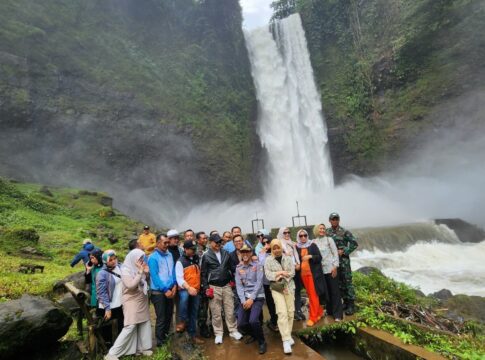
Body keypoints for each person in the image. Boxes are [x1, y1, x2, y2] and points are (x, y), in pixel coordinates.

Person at [104, 249, 152, 360]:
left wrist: (146, 272)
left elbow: (146, 281)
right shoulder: (125, 270)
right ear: (133, 258)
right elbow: (131, 285)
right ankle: (112, 353)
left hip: (142, 299)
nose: (141, 260)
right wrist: (140, 272)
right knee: (130, 325)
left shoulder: (139, 267)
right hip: (131, 300)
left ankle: (142, 348)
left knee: (144, 322)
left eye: (142, 258)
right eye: (139, 258)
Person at [200, 233, 242, 344]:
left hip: (227, 285)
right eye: (216, 242)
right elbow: (203, 274)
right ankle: (218, 333)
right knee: (216, 312)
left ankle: (233, 330)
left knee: (230, 310)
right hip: (214, 286)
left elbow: (230, 268)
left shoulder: (225, 253)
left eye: (220, 242)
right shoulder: (206, 255)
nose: (219, 244)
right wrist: (206, 288)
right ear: (211, 242)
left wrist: (232, 281)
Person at [264, 239, 295, 354]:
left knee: (291, 312)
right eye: (274, 248)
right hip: (277, 289)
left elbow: (292, 272)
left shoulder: (287, 258)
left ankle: (288, 334)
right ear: (271, 249)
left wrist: (283, 276)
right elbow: (267, 274)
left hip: (289, 287)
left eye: (278, 248)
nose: (276, 250)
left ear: (281, 247)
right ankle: (286, 340)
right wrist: (280, 273)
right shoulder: (268, 260)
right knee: (282, 312)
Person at [235, 245, 266, 354]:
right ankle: (254, 334)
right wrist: (244, 301)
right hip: (245, 298)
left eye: (247, 252)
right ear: (240, 253)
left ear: (251, 253)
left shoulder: (258, 265)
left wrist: (251, 298)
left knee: (253, 320)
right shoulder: (238, 268)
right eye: (242, 252)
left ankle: (262, 342)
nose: (245, 254)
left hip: (257, 297)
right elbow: (239, 286)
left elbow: (259, 283)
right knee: (240, 324)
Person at [326, 213, 358, 315]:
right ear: (330, 220)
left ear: (339, 220)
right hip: (333, 262)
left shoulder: (344, 232)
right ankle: (345, 302)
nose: (334, 221)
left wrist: (344, 251)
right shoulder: (327, 232)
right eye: (333, 219)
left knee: (347, 282)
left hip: (343, 261)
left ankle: (351, 305)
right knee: (338, 283)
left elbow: (354, 243)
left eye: (336, 219)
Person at [148, 234, 177, 346]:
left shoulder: (169, 254)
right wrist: (165, 289)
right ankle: (160, 342)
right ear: (158, 243)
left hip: (170, 289)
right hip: (159, 292)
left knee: (169, 315)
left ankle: (165, 337)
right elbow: (154, 276)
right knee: (161, 317)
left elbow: (173, 270)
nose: (167, 245)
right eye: (164, 243)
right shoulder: (153, 257)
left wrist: (174, 284)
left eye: (167, 242)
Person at [176, 240, 204, 345]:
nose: (194, 251)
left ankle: (193, 335)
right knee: (184, 299)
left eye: (194, 249)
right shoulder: (180, 261)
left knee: (194, 313)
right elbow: (179, 279)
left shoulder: (196, 258)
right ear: (185, 249)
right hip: (185, 289)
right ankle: (182, 321)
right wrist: (188, 288)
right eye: (192, 249)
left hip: (196, 289)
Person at [295, 229, 326, 327]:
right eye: (301, 236)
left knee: (313, 295)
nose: (303, 237)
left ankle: (313, 318)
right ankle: (319, 313)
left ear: (307, 236)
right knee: (311, 294)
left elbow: (319, 257)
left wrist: (310, 256)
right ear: (298, 237)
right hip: (303, 276)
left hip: (313, 275)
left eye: (305, 235)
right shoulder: (297, 247)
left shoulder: (312, 245)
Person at [313, 223, 343, 321]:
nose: (322, 230)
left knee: (335, 292)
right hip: (321, 271)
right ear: (316, 230)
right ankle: (330, 311)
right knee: (326, 292)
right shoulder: (314, 242)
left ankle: (338, 314)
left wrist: (335, 267)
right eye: (320, 228)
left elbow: (335, 254)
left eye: (323, 228)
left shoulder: (329, 240)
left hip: (331, 269)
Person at [96, 250, 124, 344]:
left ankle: (119, 348)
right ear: (105, 261)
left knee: (120, 327)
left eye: (114, 258)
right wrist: (107, 308)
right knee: (107, 331)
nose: (113, 261)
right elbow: (101, 292)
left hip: (119, 304)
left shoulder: (120, 267)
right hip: (108, 306)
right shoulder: (102, 273)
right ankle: (107, 351)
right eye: (110, 260)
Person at [277, 227, 304, 321]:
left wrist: (298, 263)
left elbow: (295, 254)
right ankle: (292, 312)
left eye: (288, 232)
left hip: (296, 269)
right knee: (289, 292)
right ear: (281, 234)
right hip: (287, 272)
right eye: (285, 233)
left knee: (297, 291)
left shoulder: (292, 243)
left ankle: (298, 310)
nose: (287, 234)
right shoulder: (279, 244)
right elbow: (280, 257)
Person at [258, 235, 278, 332]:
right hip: (267, 283)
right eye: (263, 243)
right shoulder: (262, 253)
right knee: (270, 303)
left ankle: (280, 321)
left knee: (278, 302)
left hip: (278, 282)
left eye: (268, 242)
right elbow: (261, 264)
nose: (266, 245)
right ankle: (274, 321)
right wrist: (263, 252)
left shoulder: (276, 251)